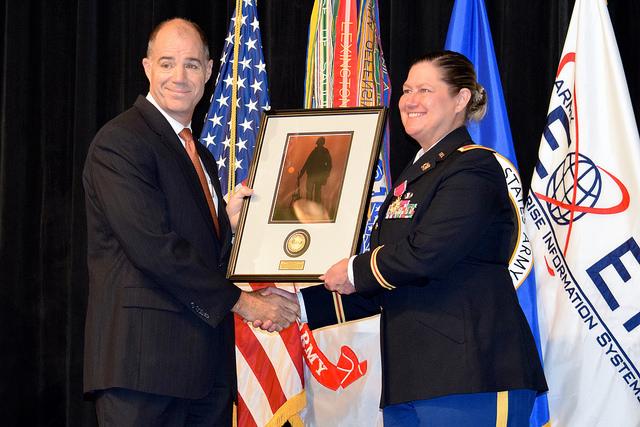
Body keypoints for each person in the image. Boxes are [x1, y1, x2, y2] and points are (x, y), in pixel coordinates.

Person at [294, 51, 548, 426]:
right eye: (407, 89)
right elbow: (391, 282)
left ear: (461, 100)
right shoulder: (416, 176)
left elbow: (425, 255)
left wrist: (350, 269)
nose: (409, 100)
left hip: (473, 375)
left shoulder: (473, 167)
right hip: (412, 379)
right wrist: (298, 305)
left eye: (425, 90)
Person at [82, 18, 298, 426]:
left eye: (192, 65)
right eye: (167, 63)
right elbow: (155, 248)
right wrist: (247, 303)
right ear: (147, 67)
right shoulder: (121, 142)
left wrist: (226, 226)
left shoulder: (201, 155)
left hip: (204, 372)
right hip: (143, 369)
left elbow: (197, 245)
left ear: (210, 71)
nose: (179, 76)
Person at [299, 136, 332, 204]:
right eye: (319, 143)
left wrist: (326, 175)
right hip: (312, 175)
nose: (319, 144)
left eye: (320, 142)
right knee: (310, 193)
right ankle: (309, 207)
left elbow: (329, 164)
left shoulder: (325, 152)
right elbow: (307, 163)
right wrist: (301, 174)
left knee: (316, 193)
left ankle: (315, 208)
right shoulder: (314, 152)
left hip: (318, 176)